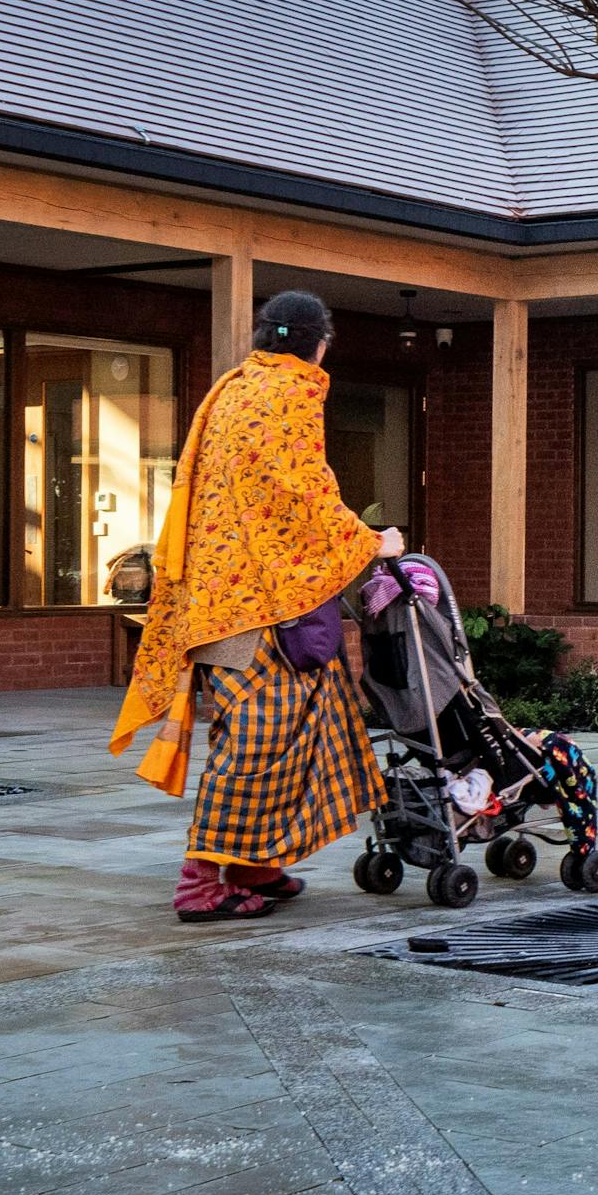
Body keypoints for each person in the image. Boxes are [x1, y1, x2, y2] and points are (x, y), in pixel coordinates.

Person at [108, 287, 401, 921]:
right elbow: (303, 491)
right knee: (259, 743)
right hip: (258, 610)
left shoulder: (234, 388)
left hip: (218, 598)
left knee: (292, 733)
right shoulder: (290, 392)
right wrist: (372, 541)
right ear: (318, 344)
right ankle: (202, 881)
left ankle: (254, 864)